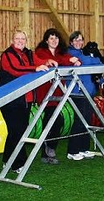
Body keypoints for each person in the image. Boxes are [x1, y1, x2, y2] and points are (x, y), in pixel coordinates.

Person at [0, 30, 52, 173]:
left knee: (18, 131)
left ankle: (7, 160)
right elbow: (16, 69)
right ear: (12, 40)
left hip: (26, 100)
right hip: (10, 99)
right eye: (17, 38)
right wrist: (35, 68)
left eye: (23, 39)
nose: (20, 41)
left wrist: (47, 62)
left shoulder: (28, 53)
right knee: (17, 131)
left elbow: (38, 61)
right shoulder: (7, 55)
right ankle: (18, 164)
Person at [35, 28, 81, 164]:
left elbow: (63, 59)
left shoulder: (62, 52)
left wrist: (74, 60)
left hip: (58, 92)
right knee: (55, 120)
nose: (54, 41)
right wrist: (50, 61)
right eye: (51, 38)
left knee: (54, 121)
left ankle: (47, 150)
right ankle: (48, 150)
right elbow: (44, 60)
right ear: (46, 40)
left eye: (56, 38)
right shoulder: (40, 52)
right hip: (46, 93)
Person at [66, 31, 100, 160]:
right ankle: (73, 151)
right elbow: (87, 61)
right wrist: (94, 59)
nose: (78, 42)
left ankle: (84, 148)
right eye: (75, 40)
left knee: (87, 120)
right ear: (71, 42)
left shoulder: (82, 53)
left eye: (80, 40)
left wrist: (92, 60)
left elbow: (95, 62)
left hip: (88, 91)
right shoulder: (70, 53)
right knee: (79, 120)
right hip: (77, 92)